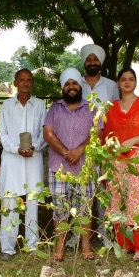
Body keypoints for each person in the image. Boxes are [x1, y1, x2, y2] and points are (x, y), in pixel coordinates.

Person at [103, 67, 139, 262]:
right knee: (119, 199)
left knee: (138, 200)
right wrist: (113, 149)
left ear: (135, 83)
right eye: (123, 79)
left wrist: (131, 141)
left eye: (131, 79)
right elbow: (106, 136)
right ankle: (123, 243)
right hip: (117, 159)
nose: (127, 82)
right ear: (118, 83)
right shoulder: (111, 107)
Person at [64, 44, 120, 249]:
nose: (92, 62)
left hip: (103, 147)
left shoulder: (111, 86)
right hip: (78, 148)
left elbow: (114, 115)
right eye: (89, 59)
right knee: (79, 194)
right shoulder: (76, 83)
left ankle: (104, 234)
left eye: (96, 59)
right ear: (84, 62)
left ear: (101, 62)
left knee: (103, 193)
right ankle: (76, 235)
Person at [43, 68, 98, 261]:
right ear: (63, 87)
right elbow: (48, 134)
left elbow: (97, 134)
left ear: (80, 86)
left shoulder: (92, 108)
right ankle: (59, 246)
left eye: (74, 83)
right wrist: (67, 152)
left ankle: (86, 246)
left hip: (84, 167)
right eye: (67, 83)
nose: (71, 87)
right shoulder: (54, 108)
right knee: (60, 208)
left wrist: (81, 149)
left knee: (85, 208)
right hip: (59, 167)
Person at [0, 69, 47, 260]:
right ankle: (8, 248)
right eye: (21, 80)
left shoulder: (40, 105)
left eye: (29, 80)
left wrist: (35, 146)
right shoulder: (7, 105)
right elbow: (3, 133)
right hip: (12, 159)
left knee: (32, 201)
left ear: (32, 83)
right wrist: (15, 148)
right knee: (10, 202)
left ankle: (31, 246)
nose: (25, 83)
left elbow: (45, 131)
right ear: (15, 83)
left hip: (33, 158)